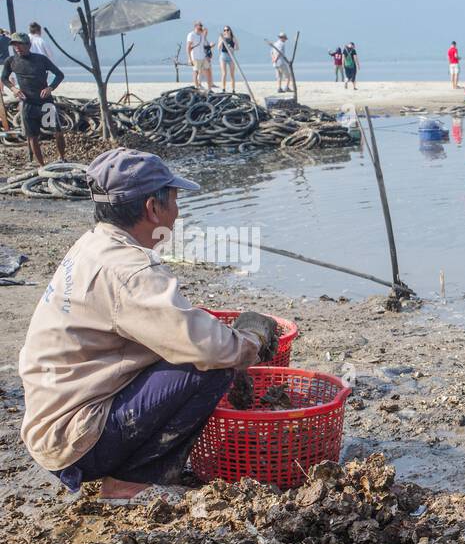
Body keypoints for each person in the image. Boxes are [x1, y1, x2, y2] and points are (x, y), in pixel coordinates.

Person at [18, 148, 280, 502]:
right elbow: (209, 348)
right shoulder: (131, 270)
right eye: (173, 200)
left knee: (197, 344)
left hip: (52, 423)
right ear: (152, 209)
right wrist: (251, 339)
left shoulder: (94, 244)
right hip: (76, 437)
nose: (177, 211)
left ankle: (127, 470)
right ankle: (132, 480)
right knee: (210, 367)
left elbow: (142, 324)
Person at [1, 33, 66, 167]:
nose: (17, 47)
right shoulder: (11, 61)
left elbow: (59, 74)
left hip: (45, 102)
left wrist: (50, 88)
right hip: (27, 104)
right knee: (32, 136)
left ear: (28, 45)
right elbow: (4, 78)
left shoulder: (40, 59)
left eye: (20, 44)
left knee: (58, 132)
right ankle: (42, 166)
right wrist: (13, 89)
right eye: (14, 45)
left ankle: (62, 158)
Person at [186, 21, 212, 91]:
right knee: (196, 72)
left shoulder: (202, 35)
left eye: (201, 25)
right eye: (200, 25)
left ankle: (209, 89)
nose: (201, 27)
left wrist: (207, 55)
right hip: (195, 57)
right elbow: (188, 47)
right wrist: (189, 58)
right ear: (196, 26)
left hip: (203, 56)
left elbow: (204, 46)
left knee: (208, 71)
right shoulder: (191, 35)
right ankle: (196, 88)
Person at [217, 26, 239, 92]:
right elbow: (219, 48)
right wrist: (222, 40)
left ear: (230, 30)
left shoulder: (233, 38)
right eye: (224, 30)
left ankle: (233, 89)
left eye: (227, 30)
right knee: (224, 73)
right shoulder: (221, 37)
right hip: (223, 55)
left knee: (232, 74)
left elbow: (237, 47)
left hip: (231, 56)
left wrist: (233, 49)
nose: (226, 31)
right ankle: (223, 89)